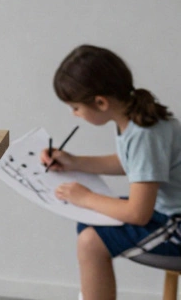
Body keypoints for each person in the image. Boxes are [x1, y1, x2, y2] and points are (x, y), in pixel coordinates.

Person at [43, 45, 181, 300]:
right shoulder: (136, 120)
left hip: (176, 223)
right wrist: (74, 162)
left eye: (75, 107)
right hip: (167, 212)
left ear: (100, 102)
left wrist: (86, 197)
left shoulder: (144, 134)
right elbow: (135, 165)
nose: (74, 115)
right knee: (88, 220)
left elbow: (138, 214)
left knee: (90, 242)